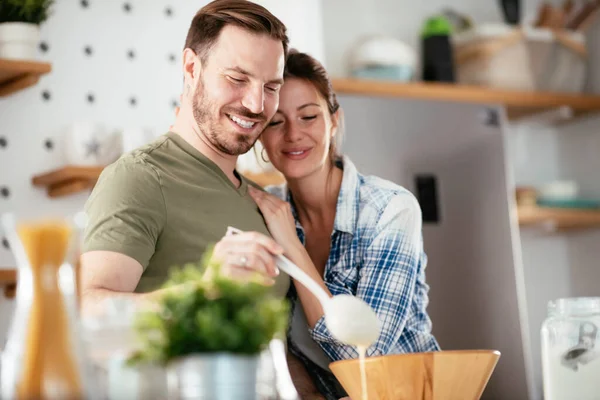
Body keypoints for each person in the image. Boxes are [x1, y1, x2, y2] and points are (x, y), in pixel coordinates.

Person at [246, 50, 441, 399]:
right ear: (259, 134)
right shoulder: (264, 211)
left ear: (334, 120)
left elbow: (364, 359)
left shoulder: (390, 210)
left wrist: (291, 244)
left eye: (308, 116)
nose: (293, 134)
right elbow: (272, 344)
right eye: (276, 122)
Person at [79, 0, 292, 314]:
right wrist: (205, 290)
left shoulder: (261, 201)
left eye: (271, 87)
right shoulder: (140, 177)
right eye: (237, 79)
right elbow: (88, 307)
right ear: (192, 68)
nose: (257, 104)